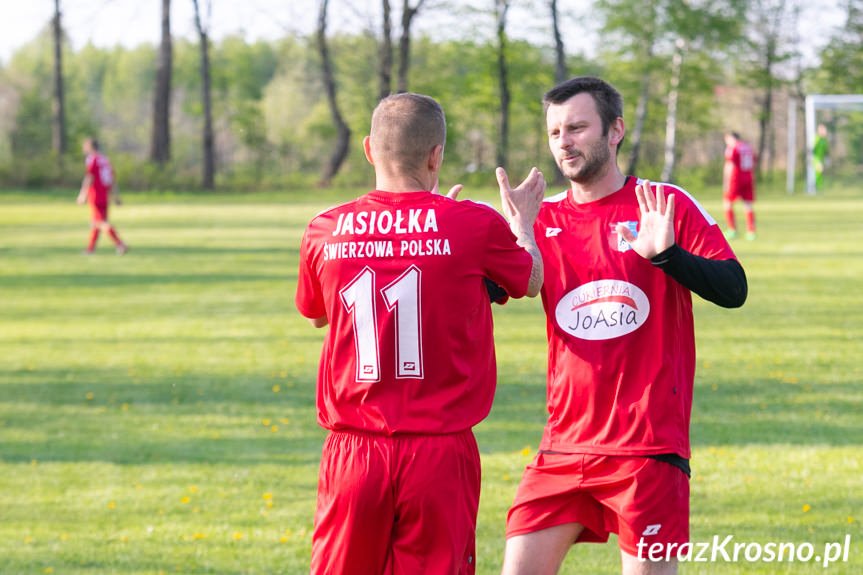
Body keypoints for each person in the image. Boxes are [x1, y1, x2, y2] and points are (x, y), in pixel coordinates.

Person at [499, 77, 748, 575]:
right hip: (563, 446)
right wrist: (503, 231)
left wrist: (669, 256)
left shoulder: (662, 204)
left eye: (576, 127)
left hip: (648, 450)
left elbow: (733, 288)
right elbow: (481, 291)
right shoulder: (539, 221)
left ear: (615, 131)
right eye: (554, 132)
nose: (564, 142)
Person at [295, 92, 545, 575]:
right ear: (437, 156)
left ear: (369, 149)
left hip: (354, 450)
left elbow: (317, 316)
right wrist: (523, 225)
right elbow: (530, 280)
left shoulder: (325, 228)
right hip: (439, 452)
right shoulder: (471, 225)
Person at [76, 138, 128, 254]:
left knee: (100, 223)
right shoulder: (105, 160)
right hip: (105, 195)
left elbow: (89, 177)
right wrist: (116, 196)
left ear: (90, 147)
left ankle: (120, 244)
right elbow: (112, 180)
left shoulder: (92, 160)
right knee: (97, 222)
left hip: (95, 195)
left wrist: (82, 194)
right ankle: (90, 249)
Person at [722, 131, 756, 240]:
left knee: (727, 203)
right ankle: (751, 232)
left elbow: (730, 165)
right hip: (748, 177)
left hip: (735, 178)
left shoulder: (732, 148)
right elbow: (754, 161)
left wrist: (726, 181)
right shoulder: (748, 147)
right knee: (748, 205)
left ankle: (732, 229)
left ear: (732, 138)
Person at [813, 123, 829, 191]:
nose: (825, 131)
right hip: (815, 159)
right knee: (817, 173)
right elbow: (812, 149)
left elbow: (826, 151)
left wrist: (828, 159)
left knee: (819, 173)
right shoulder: (816, 138)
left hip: (821, 159)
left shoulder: (824, 140)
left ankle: (818, 189)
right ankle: (815, 189)